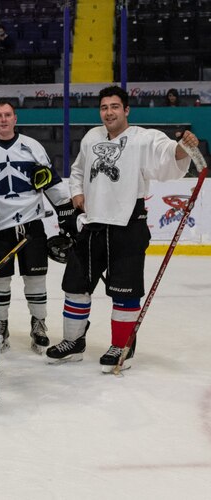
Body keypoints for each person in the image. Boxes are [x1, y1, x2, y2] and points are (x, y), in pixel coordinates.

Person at [46, 85, 200, 372]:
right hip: (92, 226)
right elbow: (78, 170)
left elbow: (168, 157)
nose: (109, 112)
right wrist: (77, 192)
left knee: (125, 292)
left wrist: (182, 148)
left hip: (128, 227)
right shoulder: (92, 137)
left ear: (126, 110)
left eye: (115, 107)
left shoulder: (144, 138)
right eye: (104, 107)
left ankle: (121, 346)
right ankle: (73, 342)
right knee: (75, 286)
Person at [0, 101, 76, 354]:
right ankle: (1, 324)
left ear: (15, 118)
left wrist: (67, 215)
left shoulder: (32, 146)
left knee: (36, 279)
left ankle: (38, 324)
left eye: (8, 115)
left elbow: (52, 182)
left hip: (31, 224)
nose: (4, 120)